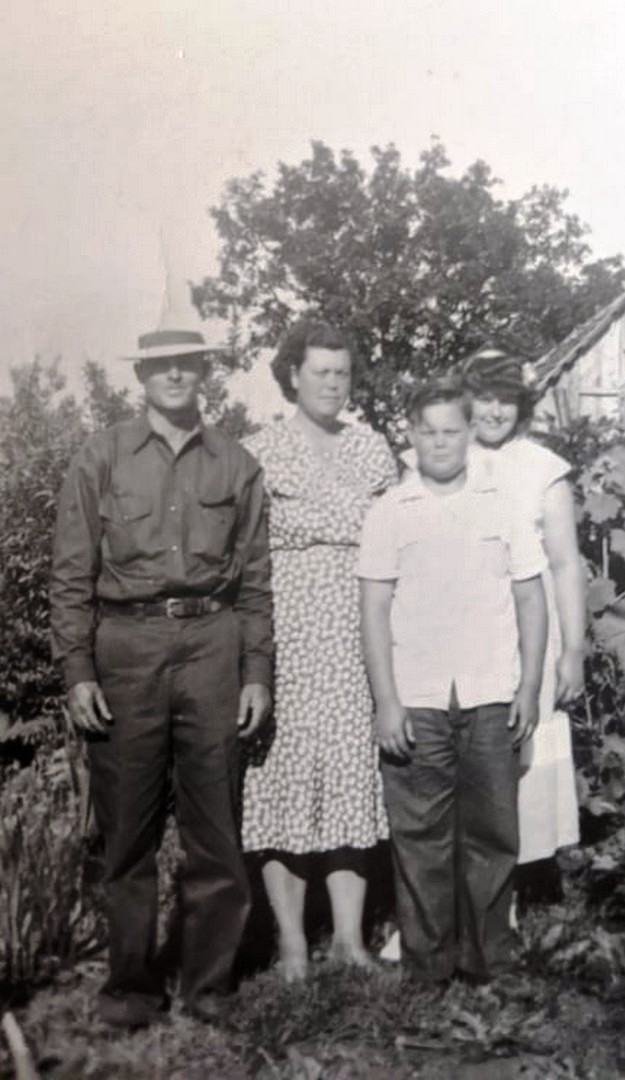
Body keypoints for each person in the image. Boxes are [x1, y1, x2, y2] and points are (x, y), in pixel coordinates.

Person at [50, 327, 273, 1028]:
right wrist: (78, 668)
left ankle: (210, 987)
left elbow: (256, 582)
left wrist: (256, 671)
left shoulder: (237, 463)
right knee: (127, 832)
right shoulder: (100, 456)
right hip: (126, 648)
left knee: (216, 828)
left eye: (188, 364)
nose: (175, 375)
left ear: (205, 373)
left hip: (213, 645)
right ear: (141, 376)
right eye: (162, 365)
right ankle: (130, 989)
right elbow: (70, 574)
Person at [358, 377, 548, 982]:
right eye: (428, 432)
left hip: (492, 694)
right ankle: (429, 967)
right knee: (421, 835)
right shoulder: (390, 512)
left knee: (492, 832)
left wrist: (529, 687)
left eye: (451, 431)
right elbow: (374, 610)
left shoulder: (503, 507)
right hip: (418, 698)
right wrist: (386, 701)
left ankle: (490, 959)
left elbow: (531, 599)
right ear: (411, 437)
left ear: (470, 434)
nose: (440, 443)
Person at [241, 318, 398, 981]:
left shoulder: (372, 450)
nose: (334, 384)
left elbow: (396, 541)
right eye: (321, 372)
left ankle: (350, 941)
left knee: (350, 773)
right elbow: (242, 555)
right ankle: (292, 945)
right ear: (292, 376)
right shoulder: (257, 452)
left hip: (358, 631)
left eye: (343, 373)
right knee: (284, 777)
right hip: (288, 635)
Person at [460, 347, 585, 895]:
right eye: (484, 398)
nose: (494, 411)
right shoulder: (440, 457)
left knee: (524, 737)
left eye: (506, 400)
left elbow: (565, 564)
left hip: (528, 631)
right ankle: (468, 881)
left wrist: (573, 649)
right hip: (461, 630)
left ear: (522, 406)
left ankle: (512, 884)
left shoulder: (543, 469)